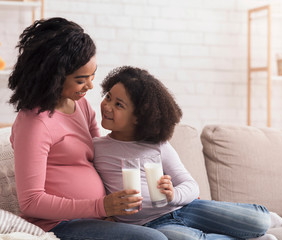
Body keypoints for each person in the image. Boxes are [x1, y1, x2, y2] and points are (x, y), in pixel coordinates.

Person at [8, 17, 167, 240]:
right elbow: (32, 201)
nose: (91, 86)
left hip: (97, 218)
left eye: (92, 75)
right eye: (81, 80)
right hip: (58, 224)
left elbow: (103, 158)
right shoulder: (34, 124)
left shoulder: (80, 105)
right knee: (154, 239)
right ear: (53, 77)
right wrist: (101, 207)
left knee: (168, 231)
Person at [93, 66, 282, 240]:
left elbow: (191, 185)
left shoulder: (157, 146)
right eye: (108, 97)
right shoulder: (97, 148)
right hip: (150, 224)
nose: (107, 106)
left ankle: (259, 223)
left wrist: (172, 194)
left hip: (187, 208)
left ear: (138, 117)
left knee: (260, 221)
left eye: (119, 105)